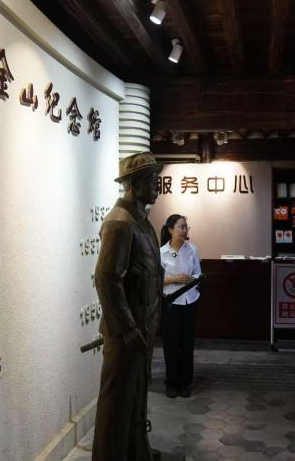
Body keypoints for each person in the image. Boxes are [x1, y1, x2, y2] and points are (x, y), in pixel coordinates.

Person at [92, 152, 164, 461]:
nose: (157, 185)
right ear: (133, 184)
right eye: (152, 179)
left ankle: (135, 450)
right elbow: (107, 279)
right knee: (117, 402)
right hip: (127, 333)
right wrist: (128, 327)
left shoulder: (141, 221)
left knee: (136, 396)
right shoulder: (120, 224)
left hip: (141, 326)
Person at [160, 214, 202, 398]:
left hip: (189, 301)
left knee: (187, 344)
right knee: (171, 344)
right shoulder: (161, 252)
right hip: (170, 304)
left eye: (186, 227)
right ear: (171, 230)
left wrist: (191, 278)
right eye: (181, 227)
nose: (185, 230)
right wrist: (174, 279)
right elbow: (156, 280)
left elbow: (198, 274)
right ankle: (171, 383)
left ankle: (185, 383)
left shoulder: (192, 249)